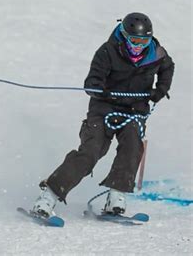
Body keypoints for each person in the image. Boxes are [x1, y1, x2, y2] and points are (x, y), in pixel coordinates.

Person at [32, 13, 174, 217]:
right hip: (104, 109)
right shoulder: (107, 51)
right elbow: (92, 81)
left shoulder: (156, 53)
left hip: (134, 110)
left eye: (144, 41)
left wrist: (160, 89)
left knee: (133, 147)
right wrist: (100, 89)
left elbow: (168, 67)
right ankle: (49, 196)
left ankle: (116, 195)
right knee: (91, 152)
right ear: (124, 36)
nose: (139, 46)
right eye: (134, 41)